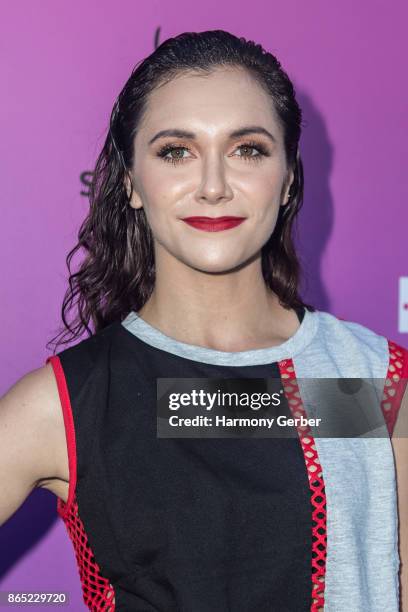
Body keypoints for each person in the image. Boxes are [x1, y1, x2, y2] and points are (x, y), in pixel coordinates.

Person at [1, 29, 407, 612]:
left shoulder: (372, 380)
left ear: (288, 176)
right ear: (131, 183)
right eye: (176, 152)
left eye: (248, 150)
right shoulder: (68, 403)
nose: (214, 186)